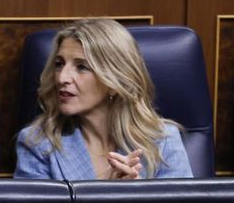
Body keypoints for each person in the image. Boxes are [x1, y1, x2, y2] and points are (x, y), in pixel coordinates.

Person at [14, 18, 192, 180]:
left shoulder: (164, 140)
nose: (62, 78)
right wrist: (109, 197)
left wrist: (139, 196)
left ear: (114, 81)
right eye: (59, 64)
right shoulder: (37, 143)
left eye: (82, 67)